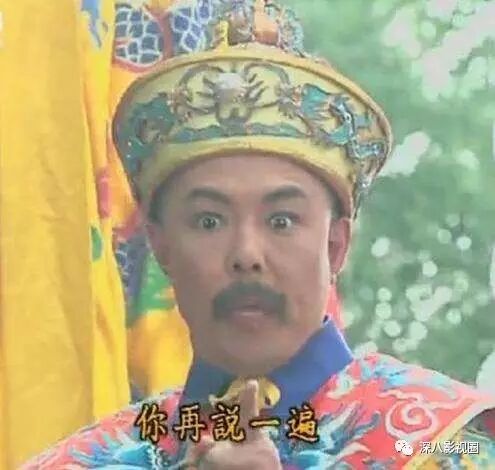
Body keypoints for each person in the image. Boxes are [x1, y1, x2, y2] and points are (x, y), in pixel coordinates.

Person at [23, 0, 495, 468]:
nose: (246, 254)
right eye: (209, 221)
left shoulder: (446, 441)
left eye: (281, 221)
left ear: (335, 246)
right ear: (162, 247)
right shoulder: (94, 459)